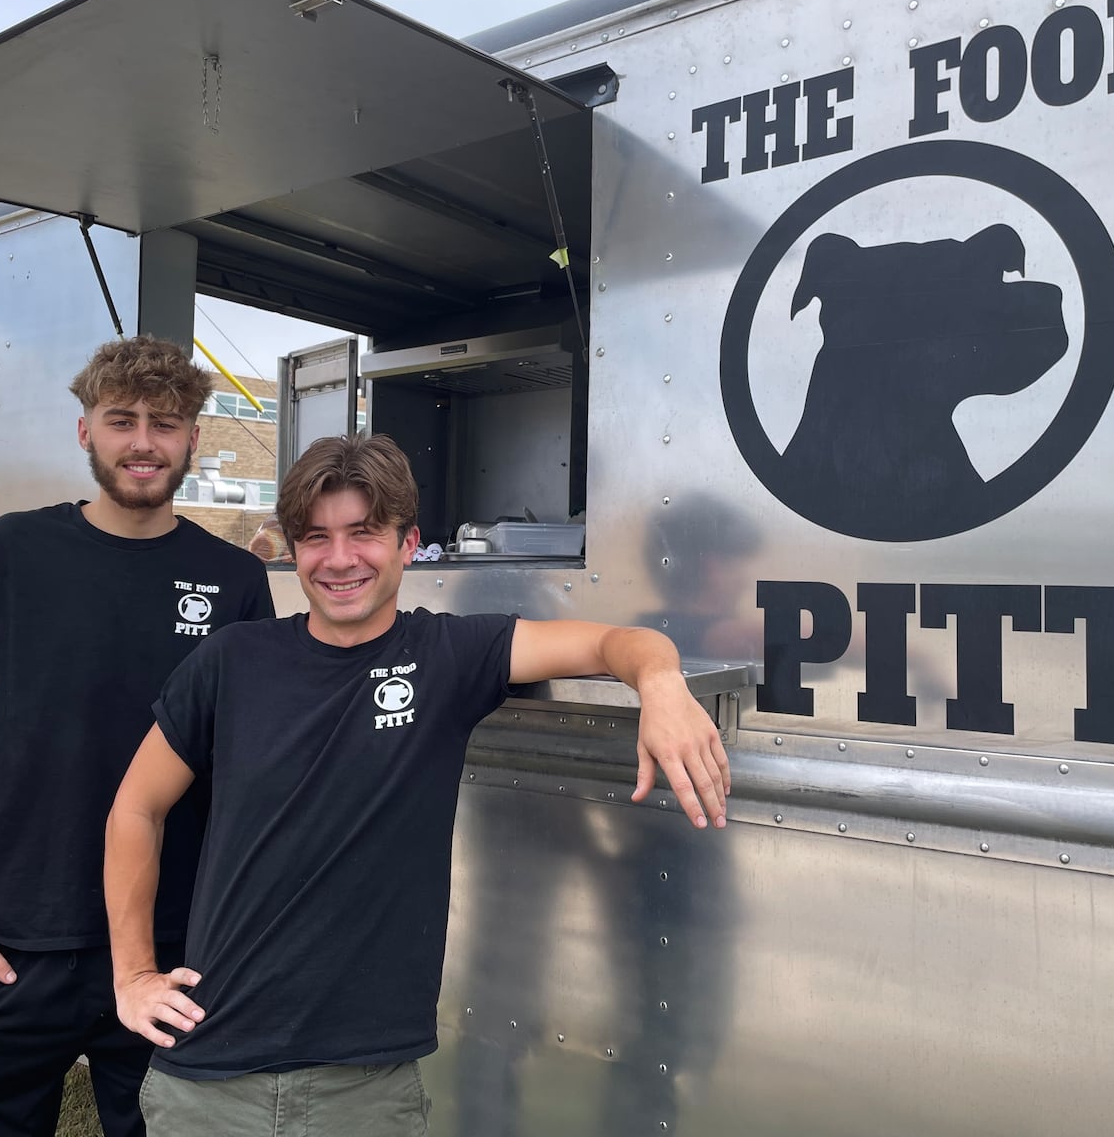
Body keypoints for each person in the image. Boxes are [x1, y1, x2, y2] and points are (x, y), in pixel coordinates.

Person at [104, 433, 730, 1135]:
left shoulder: (448, 656)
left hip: (364, 1091)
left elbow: (615, 642)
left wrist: (662, 682)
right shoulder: (231, 661)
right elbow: (136, 806)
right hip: (209, 1081)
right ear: (292, 549)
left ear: (408, 544)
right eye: (315, 538)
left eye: (363, 534)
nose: (339, 560)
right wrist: (132, 975)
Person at [0, 334, 275, 1136]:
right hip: (10, 939)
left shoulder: (235, 583)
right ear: (87, 432)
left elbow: (248, 771)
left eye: (167, 423)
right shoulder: (12, 552)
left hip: (173, 945)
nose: (144, 442)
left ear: (191, 439)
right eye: (122, 420)